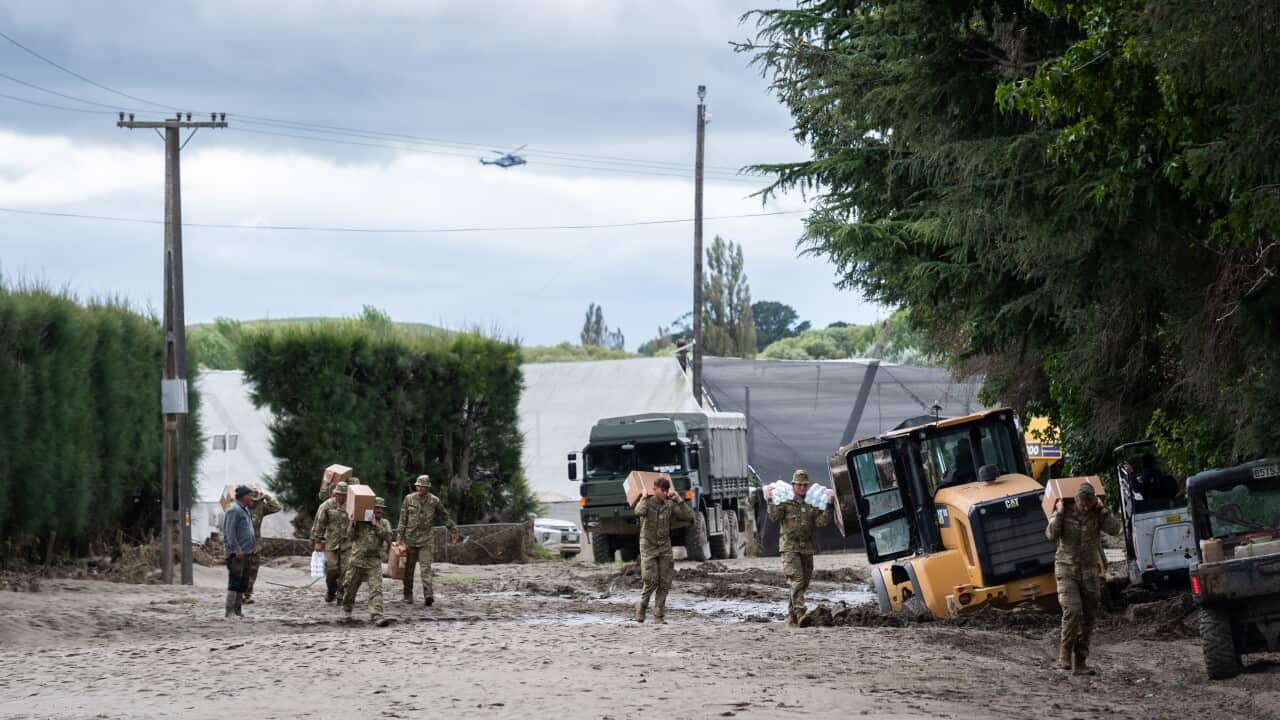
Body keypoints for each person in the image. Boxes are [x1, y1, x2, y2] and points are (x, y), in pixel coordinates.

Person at [1045, 483, 1122, 675]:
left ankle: (1080, 661)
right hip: (1066, 569)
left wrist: (1102, 510)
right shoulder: (1064, 511)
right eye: (1082, 504)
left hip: (1088, 571)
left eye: (1089, 504)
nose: (1085, 508)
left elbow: (1115, 529)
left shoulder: (1096, 513)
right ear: (1076, 500)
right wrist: (1059, 513)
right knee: (1072, 610)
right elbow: (1050, 534)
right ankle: (1064, 653)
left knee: (1089, 616)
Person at [765, 469, 835, 626]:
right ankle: (801, 613)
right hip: (789, 548)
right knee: (796, 580)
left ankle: (792, 616)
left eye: (804, 485)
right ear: (793, 485)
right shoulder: (785, 503)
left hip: (806, 549)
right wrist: (769, 500)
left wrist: (829, 505)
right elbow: (774, 516)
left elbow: (821, 522)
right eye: (799, 485)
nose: (802, 488)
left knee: (803, 584)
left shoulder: (812, 504)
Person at [632, 476, 693, 624]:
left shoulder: (670, 505)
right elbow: (638, 512)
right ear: (655, 490)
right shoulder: (646, 503)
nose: (665, 493)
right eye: (662, 490)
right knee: (651, 580)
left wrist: (679, 499)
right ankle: (642, 607)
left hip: (664, 546)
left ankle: (659, 615)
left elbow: (689, 516)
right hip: (648, 546)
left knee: (665, 581)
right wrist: (643, 498)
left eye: (667, 490)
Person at [395, 474, 458, 606]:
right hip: (410, 539)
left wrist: (453, 530)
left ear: (427, 488)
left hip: (426, 539)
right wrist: (399, 537)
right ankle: (407, 595)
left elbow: (444, 516)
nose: (419, 489)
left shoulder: (434, 501)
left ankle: (428, 595)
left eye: (422, 487)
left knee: (426, 568)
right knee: (408, 569)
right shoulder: (408, 499)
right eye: (418, 486)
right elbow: (403, 519)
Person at [342, 496, 393, 626]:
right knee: (350, 588)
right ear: (371, 508)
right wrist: (352, 523)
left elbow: (388, 537)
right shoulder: (360, 521)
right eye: (376, 508)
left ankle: (377, 616)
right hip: (357, 560)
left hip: (374, 561)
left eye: (381, 508)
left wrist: (375, 525)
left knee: (376, 588)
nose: (379, 510)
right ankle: (347, 610)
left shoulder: (384, 523)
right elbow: (350, 536)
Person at [311, 480, 353, 603]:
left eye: (344, 495)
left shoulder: (352, 506)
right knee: (332, 569)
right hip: (331, 544)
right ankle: (331, 591)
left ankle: (341, 593)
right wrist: (317, 541)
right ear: (335, 494)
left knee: (346, 570)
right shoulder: (327, 506)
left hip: (348, 544)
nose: (341, 497)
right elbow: (319, 524)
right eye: (339, 494)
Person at [242, 487, 283, 605]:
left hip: (255, 545)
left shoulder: (260, 508)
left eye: (255, 500)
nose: (253, 503)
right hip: (242, 546)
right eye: (251, 500)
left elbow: (277, 507)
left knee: (253, 571)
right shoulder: (240, 509)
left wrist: (266, 497)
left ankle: (247, 595)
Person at [222, 485, 256, 618]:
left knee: (243, 581)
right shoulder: (234, 510)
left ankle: (238, 610)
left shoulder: (244, 509)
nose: (251, 497)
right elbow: (229, 533)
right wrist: (236, 549)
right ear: (243, 496)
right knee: (235, 581)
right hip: (236, 554)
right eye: (249, 495)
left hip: (246, 552)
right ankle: (229, 611)